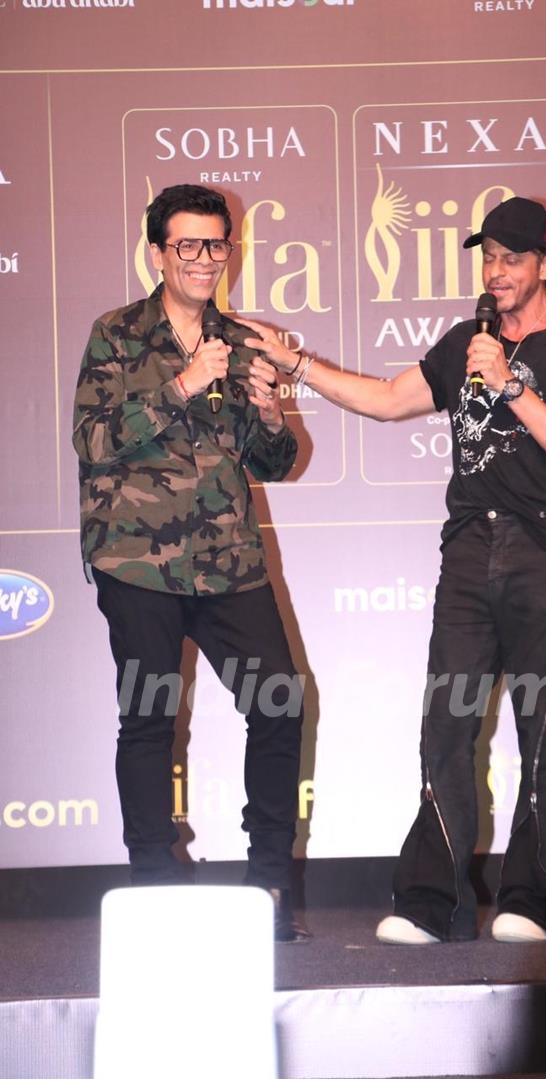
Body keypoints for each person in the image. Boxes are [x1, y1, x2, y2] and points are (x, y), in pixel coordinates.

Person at [240, 196, 546, 944]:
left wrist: (512, 383)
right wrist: (296, 365)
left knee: (540, 730)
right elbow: (385, 401)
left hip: (545, 551)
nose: (498, 270)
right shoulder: (465, 341)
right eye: (489, 257)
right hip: (470, 550)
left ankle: (533, 900)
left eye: (514, 258)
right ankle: (428, 901)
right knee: (445, 727)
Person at [72, 183, 308, 941]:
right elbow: (95, 440)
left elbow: (271, 459)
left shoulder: (242, 341)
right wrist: (181, 384)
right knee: (148, 721)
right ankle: (158, 885)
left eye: (216, 244)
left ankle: (269, 880)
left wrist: (272, 412)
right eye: (188, 245)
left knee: (281, 703)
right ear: (158, 252)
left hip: (227, 559)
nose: (205, 258)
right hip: (136, 560)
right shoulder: (116, 334)